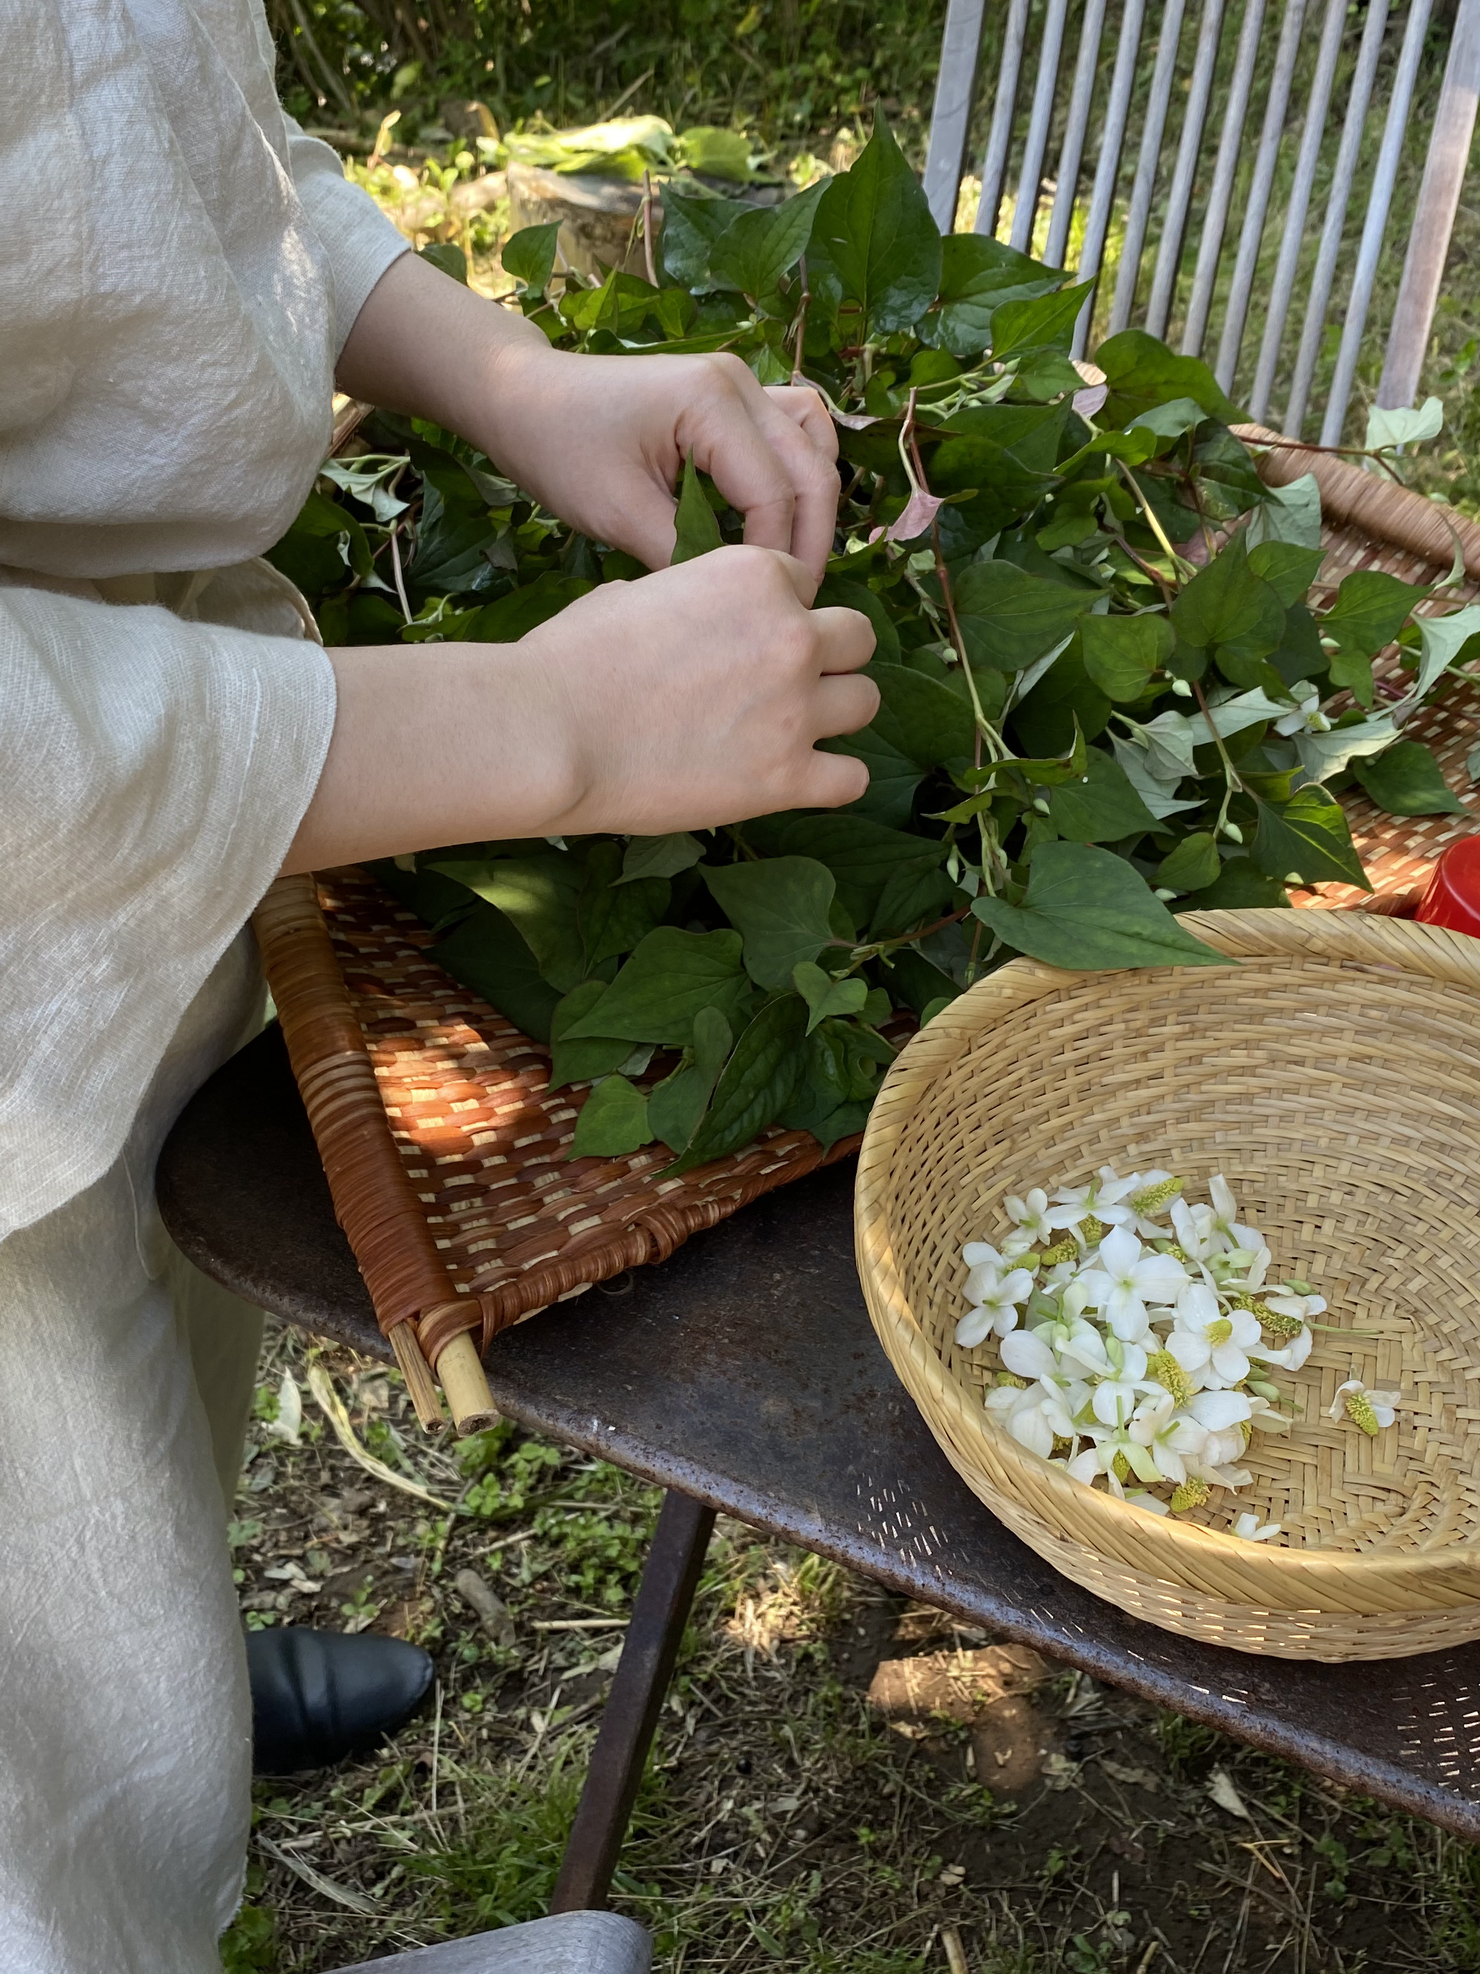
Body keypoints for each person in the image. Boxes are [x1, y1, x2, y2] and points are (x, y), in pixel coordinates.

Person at [0, 4, 878, 1970]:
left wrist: (497, 367)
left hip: (147, 847)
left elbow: (155, 124)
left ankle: (166, 1708)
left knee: (110, 1439)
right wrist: (536, 726)